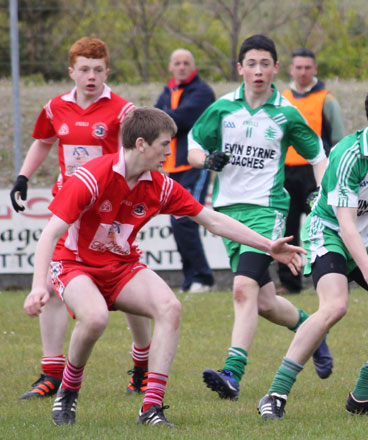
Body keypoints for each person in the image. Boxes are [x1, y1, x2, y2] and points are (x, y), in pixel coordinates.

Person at [23, 107, 305, 427]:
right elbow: (50, 234)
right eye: (164, 144)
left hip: (120, 265)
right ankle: (68, 392)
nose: (170, 152)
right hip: (73, 264)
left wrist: (269, 245)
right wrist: (37, 287)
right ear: (141, 144)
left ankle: (151, 408)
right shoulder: (92, 176)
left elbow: (211, 219)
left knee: (170, 307)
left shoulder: (160, 185)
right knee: (95, 317)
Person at [257, 80, 368, 420]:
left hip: (362, 238)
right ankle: (274, 394)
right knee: (335, 306)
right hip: (329, 232)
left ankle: (363, 397)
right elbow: (345, 224)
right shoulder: (347, 155)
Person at [187, 34, 333, 401]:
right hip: (227, 214)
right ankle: (311, 329)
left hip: (268, 211)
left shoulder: (286, 113)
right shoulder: (222, 109)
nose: (257, 71)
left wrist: (324, 196)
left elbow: (317, 155)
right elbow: (191, 145)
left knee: (242, 289)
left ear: (275, 69)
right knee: (264, 303)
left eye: (264, 64)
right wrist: (207, 160)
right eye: (250, 64)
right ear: (239, 68)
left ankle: (232, 372)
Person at [9, 37, 151, 399]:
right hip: (69, 207)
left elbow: (138, 153)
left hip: (110, 212)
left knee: (127, 282)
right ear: (71, 71)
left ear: (107, 71)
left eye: (98, 69)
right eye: (84, 69)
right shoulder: (56, 107)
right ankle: (51, 373)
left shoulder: (124, 111)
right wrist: (23, 176)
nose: (91, 76)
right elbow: (43, 141)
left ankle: (142, 365)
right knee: (57, 280)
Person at [277, 48, 345, 294]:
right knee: (287, 230)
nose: (303, 72)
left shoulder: (327, 99)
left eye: (307, 67)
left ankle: (341, 274)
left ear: (314, 69)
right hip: (286, 173)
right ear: (290, 69)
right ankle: (289, 282)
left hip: (317, 173)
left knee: (328, 224)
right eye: (298, 67)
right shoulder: (281, 97)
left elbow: (338, 139)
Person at [155, 49, 215, 293]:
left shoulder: (202, 92)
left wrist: (162, 118)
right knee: (177, 220)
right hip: (173, 167)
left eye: (186, 63)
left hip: (195, 164)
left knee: (186, 219)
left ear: (193, 66)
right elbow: (156, 120)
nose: (181, 67)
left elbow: (176, 121)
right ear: (171, 67)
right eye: (177, 63)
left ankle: (202, 278)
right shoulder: (168, 91)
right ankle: (191, 279)